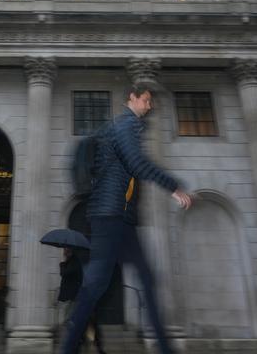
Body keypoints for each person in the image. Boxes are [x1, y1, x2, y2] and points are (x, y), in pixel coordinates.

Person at [58, 85, 193, 354]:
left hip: (119, 217)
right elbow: (137, 163)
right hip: (110, 216)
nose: (149, 106)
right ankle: (70, 344)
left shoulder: (127, 128)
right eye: (145, 100)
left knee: (138, 278)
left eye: (150, 102)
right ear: (131, 98)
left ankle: (164, 348)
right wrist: (174, 187)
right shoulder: (124, 126)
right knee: (98, 283)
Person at [57, 248, 104, 354]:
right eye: (64, 250)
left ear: (70, 252)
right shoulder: (72, 262)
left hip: (74, 298)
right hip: (72, 298)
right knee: (73, 322)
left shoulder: (75, 262)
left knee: (73, 322)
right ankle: (82, 342)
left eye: (65, 250)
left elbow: (65, 273)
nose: (63, 252)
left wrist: (62, 264)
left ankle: (81, 342)